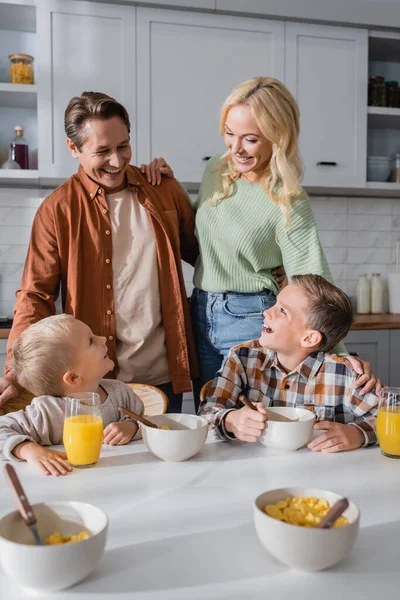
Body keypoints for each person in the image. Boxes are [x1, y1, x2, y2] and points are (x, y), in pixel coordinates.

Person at [142, 76, 379, 406]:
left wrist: (338, 353)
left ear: (277, 138)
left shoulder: (289, 199)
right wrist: (169, 186)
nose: (235, 148)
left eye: (250, 139)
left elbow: (314, 281)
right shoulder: (217, 169)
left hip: (252, 318)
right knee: (210, 419)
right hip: (199, 310)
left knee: (251, 423)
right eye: (229, 133)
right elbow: (204, 236)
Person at [0, 91, 199, 415]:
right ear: (73, 148)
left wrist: (273, 268)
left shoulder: (162, 190)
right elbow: (36, 295)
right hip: (94, 382)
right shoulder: (58, 210)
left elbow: (209, 256)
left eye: (123, 146)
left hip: (162, 374)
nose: (117, 161)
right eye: (102, 151)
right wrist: (15, 371)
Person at [199, 274, 378, 453]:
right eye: (275, 304)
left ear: (309, 338)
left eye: (283, 310)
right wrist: (230, 421)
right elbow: (205, 417)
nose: (266, 312)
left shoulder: (344, 375)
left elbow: (393, 415)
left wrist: (358, 433)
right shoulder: (242, 359)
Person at [0, 315, 144, 476]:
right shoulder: (47, 412)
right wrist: (27, 449)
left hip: (116, 478)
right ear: (73, 377)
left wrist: (133, 427)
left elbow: (151, 425)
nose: (103, 338)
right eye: (91, 341)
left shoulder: (121, 393)